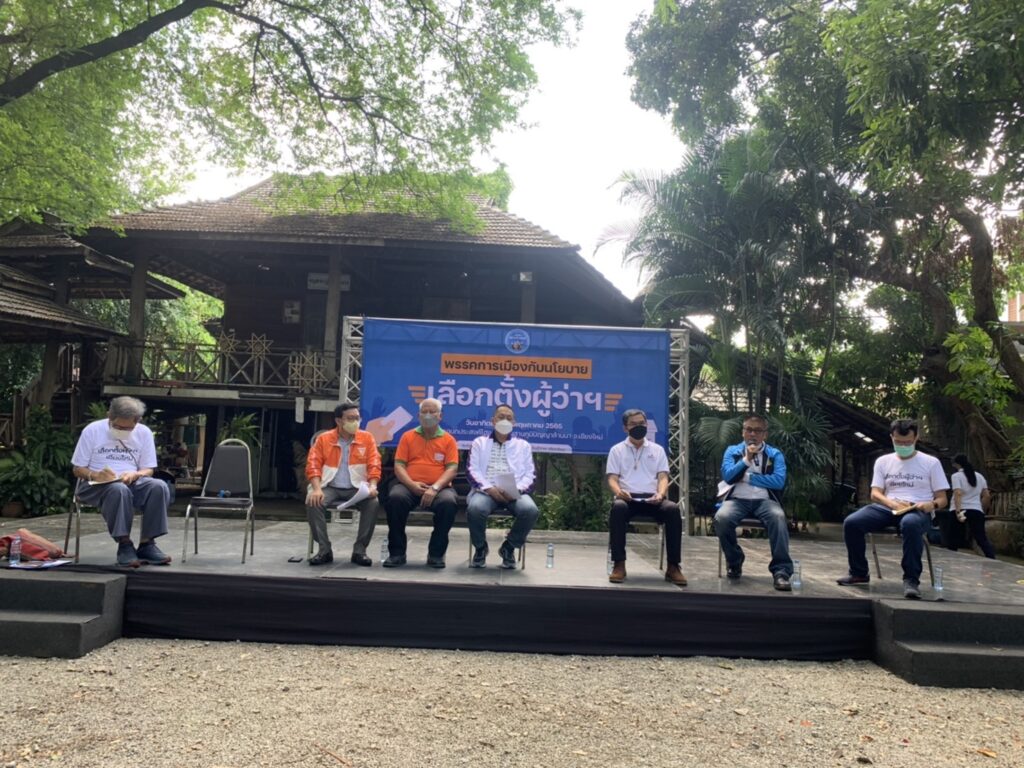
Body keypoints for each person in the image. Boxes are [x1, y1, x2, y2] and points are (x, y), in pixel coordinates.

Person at [837, 418, 948, 599]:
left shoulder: (931, 463)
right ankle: (859, 572)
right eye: (898, 442)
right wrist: (893, 504)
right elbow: (875, 493)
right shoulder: (883, 461)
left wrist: (931, 505)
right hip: (889, 507)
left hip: (918, 509)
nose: (903, 446)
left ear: (916, 438)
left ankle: (911, 580)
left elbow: (943, 499)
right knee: (852, 522)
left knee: (910, 524)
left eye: (907, 442)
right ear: (892, 438)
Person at [71, 396, 171, 567]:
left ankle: (147, 544)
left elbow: (148, 469)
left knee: (159, 486)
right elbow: (77, 469)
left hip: (132, 481)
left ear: (137, 421)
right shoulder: (92, 430)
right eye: (117, 427)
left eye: (128, 428)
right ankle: (124, 544)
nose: (122, 431)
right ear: (109, 416)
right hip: (95, 485)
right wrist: (96, 475)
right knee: (118, 489)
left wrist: (135, 474)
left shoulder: (143, 432)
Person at [605, 408, 687, 585]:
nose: (639, 427)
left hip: (653, 499)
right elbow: (612, 478)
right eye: (634, 424)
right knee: (617, 508)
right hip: (628, 499)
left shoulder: (657, 450)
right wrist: (619, 492)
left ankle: (673, 567)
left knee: (672, 509)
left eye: (642, 423)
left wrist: (661, 494)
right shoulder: (617, 450)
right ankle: (619, 564)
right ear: (625, 428)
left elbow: (663, 477)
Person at [714, 414, 793, 591]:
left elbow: (778, 481)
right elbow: (728, 476)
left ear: (765, 434)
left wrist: (747, 477)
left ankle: (781, 571)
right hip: (737, 500)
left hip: (764, 501)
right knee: (722, 518)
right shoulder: (733, 451)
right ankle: (735, 561)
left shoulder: (774, 454)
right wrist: (746, 460)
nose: (752, 434)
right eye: (749, 430)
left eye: (757, 431)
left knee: (778, 517)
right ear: (743, 432)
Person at [383, 398, 459, 568]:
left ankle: (436, 554)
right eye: (424, 412)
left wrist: (435, 488)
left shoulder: (449, 440)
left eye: (432, 412)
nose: (428, 415)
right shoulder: (407, 437)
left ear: (440, 416)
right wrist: (411, 485)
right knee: (395, 498)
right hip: (409, 486)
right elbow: (399, 466)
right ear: (418, 416)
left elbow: (452, 469)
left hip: (439, 488)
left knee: (448, 503)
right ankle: (397, 553)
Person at [304, 402, 383, 566]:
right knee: (313, 502)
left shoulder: (367, 438)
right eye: (350, 418)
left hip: (357, 487)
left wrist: (373, 486)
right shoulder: (324, 439)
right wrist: (317, 489)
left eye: (357, 418)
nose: (355, 422)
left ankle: (360, 551)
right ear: (338, 421)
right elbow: (313, 465)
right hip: (329, 486)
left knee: (373, 503)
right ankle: (324, 550)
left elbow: (374, 464)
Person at [466, 405, 539, 569]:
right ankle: (480, 548)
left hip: (514, 492)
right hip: (486, 491)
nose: (505, 420)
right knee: (475, 508)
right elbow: (472, 470)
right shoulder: (479, 443)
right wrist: (489, 488)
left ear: (514, 423)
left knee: (530, 510)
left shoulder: (523, 445)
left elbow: (531, 475)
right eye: (501, 417)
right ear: (493, 421)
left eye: (509, 418)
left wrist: (517, 490)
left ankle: (509, 547)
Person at [950, 453, 996, 559]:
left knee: (953, 538)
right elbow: (986, 496)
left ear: (956, 464)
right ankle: (991, 557)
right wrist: (981, 509)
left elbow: (958, 493)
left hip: (960, 509)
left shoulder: (956, 476)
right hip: (976, 510)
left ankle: (951, 560)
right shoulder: (980, 476)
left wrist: (958, 511)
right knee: (981, 538)